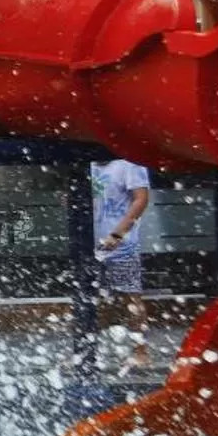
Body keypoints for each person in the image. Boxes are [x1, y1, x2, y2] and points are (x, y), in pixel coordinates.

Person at [92, 157, 154, 370]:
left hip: (122, 245)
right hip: (95, 244)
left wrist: (118, 234)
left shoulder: (130, 162)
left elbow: (141, 199)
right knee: (95, 298)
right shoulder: (90, 163)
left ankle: (141, 352)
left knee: (131, 296)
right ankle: (87, 351)